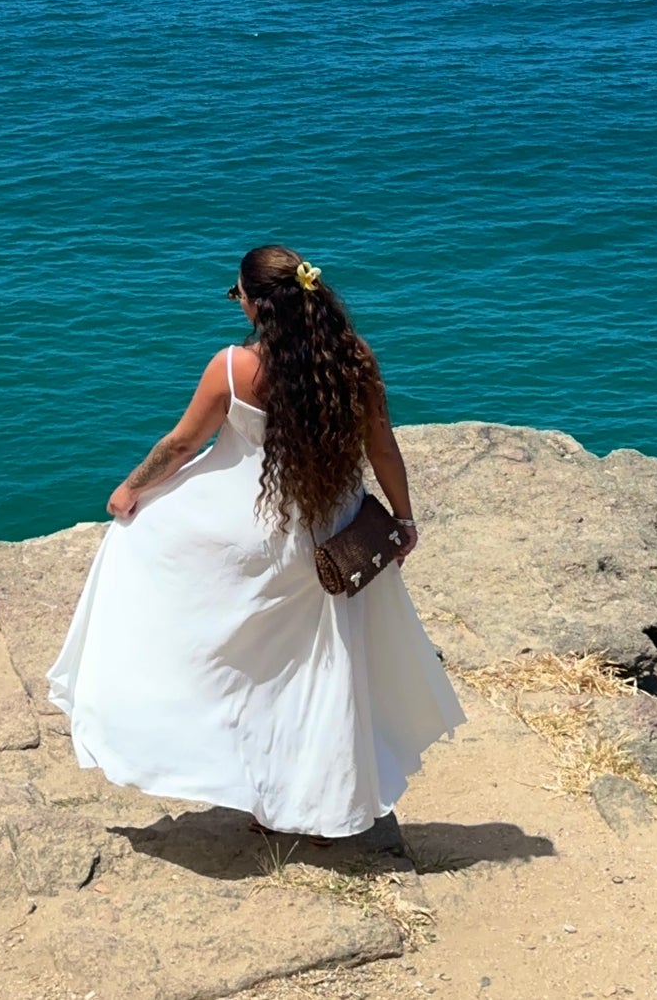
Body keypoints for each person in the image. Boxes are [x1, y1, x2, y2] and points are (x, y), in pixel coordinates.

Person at [47, 245, 465, 839]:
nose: (234, 302)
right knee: (320, 674)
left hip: (252, 534)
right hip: (334, 536)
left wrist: (128, 489)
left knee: (240, 657)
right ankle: (323, 805)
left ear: (255, 305)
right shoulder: (355, 359)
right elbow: (383, 449)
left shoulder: (233, 368)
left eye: (236, 294)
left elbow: (181, 445)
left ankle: (253, 784)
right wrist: (404, 519)